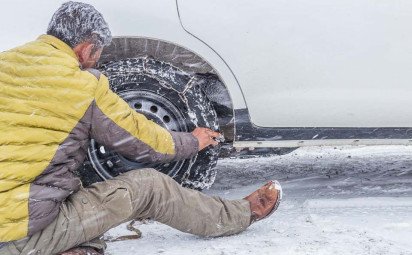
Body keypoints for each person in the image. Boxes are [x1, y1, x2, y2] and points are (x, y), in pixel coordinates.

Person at [0, 2, 282, 255]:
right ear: (87, 48)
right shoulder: (84, 84)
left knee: (72, 191)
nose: (97, 62)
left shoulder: (5, 63)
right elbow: (144, 142)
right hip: (20, 235)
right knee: (151, 187)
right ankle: (240, 214)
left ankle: (76, 246)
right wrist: (193, 141)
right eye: (98, 55)